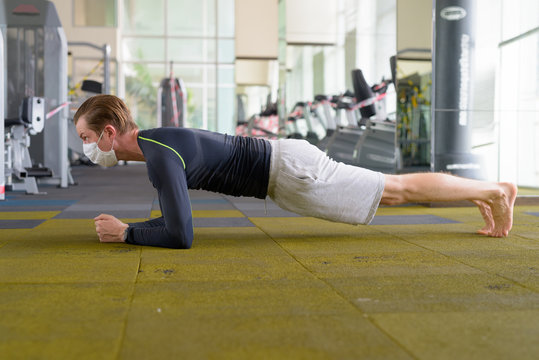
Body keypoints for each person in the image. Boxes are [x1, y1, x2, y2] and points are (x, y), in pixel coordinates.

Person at [74, 95, 517, 249]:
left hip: (289, 173)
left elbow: (180, 234)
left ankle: (494, 191)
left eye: (87, 139)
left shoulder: (160, 155)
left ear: (110, 132)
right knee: (393, 190)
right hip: (284, 168)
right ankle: (477, 190)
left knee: (394, 190)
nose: (85, 148)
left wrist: (127, 232)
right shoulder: (155, 144)